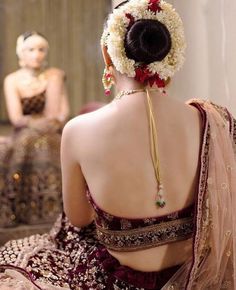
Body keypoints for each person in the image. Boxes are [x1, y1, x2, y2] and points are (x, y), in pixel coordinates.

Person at [0, 1, 236, 289]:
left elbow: (78, 218)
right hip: (190, 271)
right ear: (170, 55)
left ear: (106, 54)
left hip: (119, 278)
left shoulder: (78, 130)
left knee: (25, 254)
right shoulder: (211, 119)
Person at [0, 31, 70, 227]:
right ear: (21, 53)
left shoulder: (54, 76)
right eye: (31, 50)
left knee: (52, 143)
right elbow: (16, 118)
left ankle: (57, 210)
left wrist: (55, 120)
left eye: (41, 50)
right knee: (27, 142)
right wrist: (34, 124)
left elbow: (63, 111)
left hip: (51, 129)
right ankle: (23, 209)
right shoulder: (12, 80)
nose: (37, 54)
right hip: (26, 131)